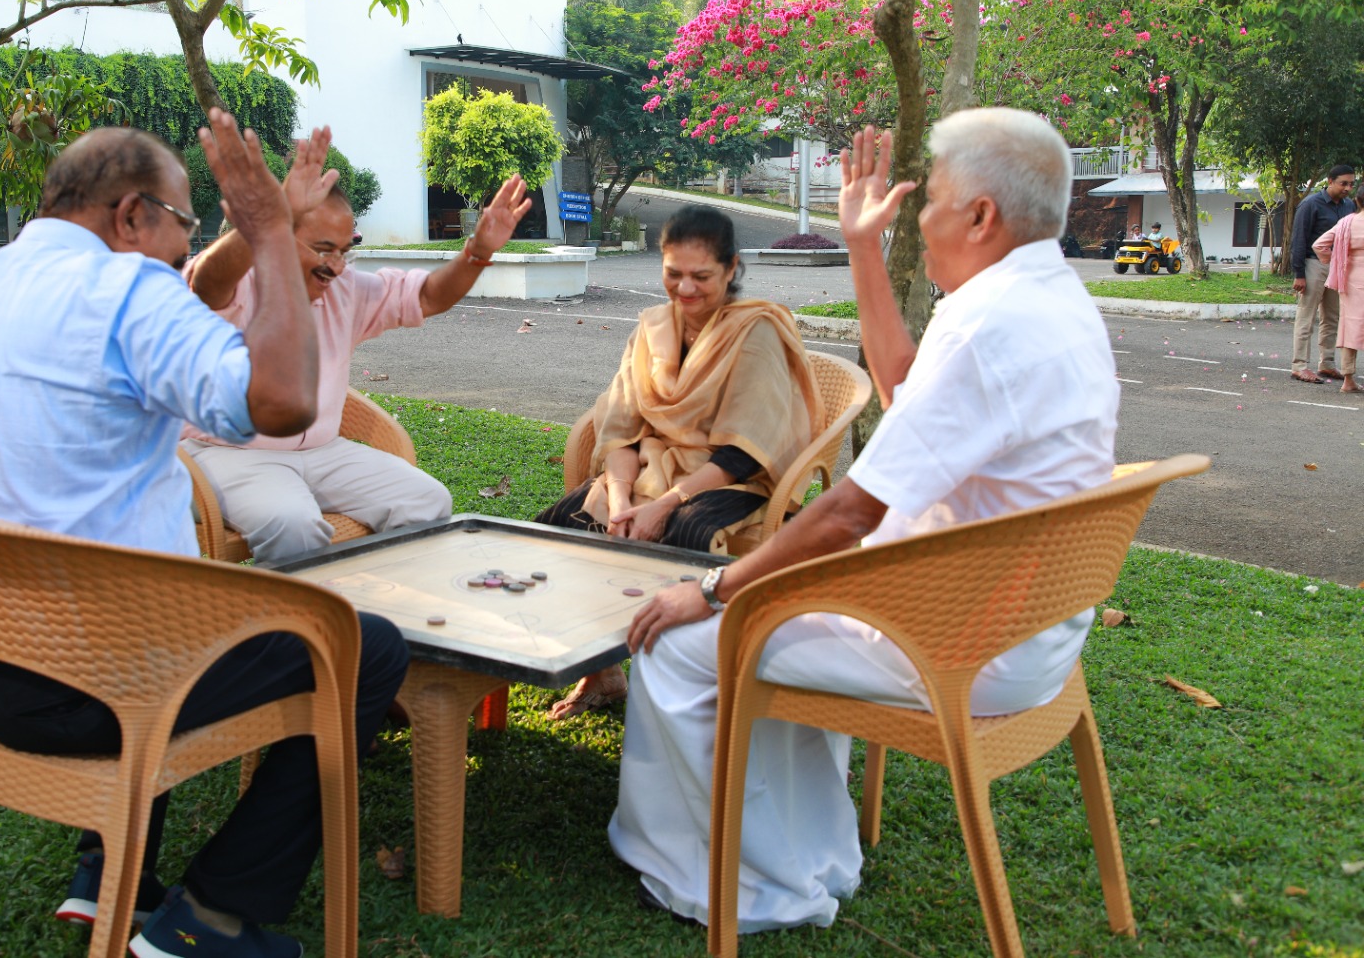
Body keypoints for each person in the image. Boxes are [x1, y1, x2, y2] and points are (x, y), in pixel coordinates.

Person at [0, 113, 410, 958]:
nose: (186, 249)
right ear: (132, 216)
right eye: (185, 225)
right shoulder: (125, 290)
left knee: (155, 564)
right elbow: (281, 399)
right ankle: (211, 921)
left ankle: (114, 883)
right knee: (358, 644)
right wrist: (272, 233)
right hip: (97, 683)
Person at [608, 110, 1119, 933]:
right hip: (1028, 631)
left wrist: (710, 588)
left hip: (951, 641)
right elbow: (906, 389)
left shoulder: (992, 324)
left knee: (682, 642)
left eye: (930, 199)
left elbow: (850, 511)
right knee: (774, 617)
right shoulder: (1048, 299)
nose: (919, 216)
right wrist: (861, 246)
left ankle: (726, 887)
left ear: (980, 215)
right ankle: (809, 858)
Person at [535, 204, 821, 720]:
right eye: (673, 274)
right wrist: (622, 498)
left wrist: (664, 504)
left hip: (728, 479)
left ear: (732, 269)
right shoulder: (651, 327)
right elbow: (622, 425)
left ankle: (687, 692)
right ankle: (601, 675)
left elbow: (742, 451)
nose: (685, 289)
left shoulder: (754, 332)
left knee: (684, 535)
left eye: (701, 276)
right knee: (563, 526)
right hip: (649, 468)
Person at [181, 171, 535, 568]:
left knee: (426, 501)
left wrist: (478, 250)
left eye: (345, 251)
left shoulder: (345, 288)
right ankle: (302, 626)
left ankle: (389, 609)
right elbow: (206, 285)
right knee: (293, 524)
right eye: (322, 249)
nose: (335, 265)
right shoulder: (236, 283)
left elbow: (429, 296)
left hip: (321, 450)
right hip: (225, 452)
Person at [1289, 165, 1354, 384]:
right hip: (1313, 264)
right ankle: (1300, 365)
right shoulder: (1311, 204)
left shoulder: (1348, 206)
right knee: (1307, 315)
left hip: (1338, 266)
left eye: (1351, 184)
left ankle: (1327, 363)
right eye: (1343, 183)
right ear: (1330, 181)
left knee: (1332, 316)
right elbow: (1298, 239)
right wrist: (1299, 273)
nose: (1347, 188)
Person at [1313, 183, 1364, 393]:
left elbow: (1319, 245)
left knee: (1350, 327)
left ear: (1358, 201)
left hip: (1351, 278)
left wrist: (1337, 260)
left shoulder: (1346, 223)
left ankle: (1348, 380)